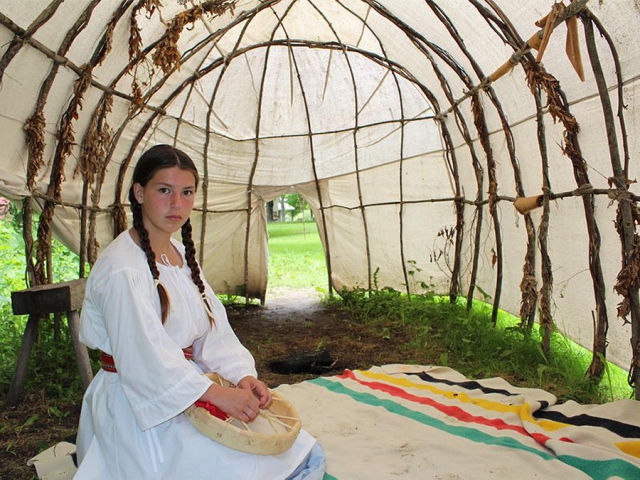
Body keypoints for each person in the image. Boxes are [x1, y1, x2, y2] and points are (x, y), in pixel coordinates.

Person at [74, 145, 325, 479]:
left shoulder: (179, 255)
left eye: (187, 192)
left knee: (302, 452)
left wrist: (241, 376)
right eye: (164, 190)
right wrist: (216, 394)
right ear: (139, 192)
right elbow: (142, 358)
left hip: (189, 384)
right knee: (253, 469)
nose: (177, 204)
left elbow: (213, 330)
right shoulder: (124, 269)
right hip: (141, 403)